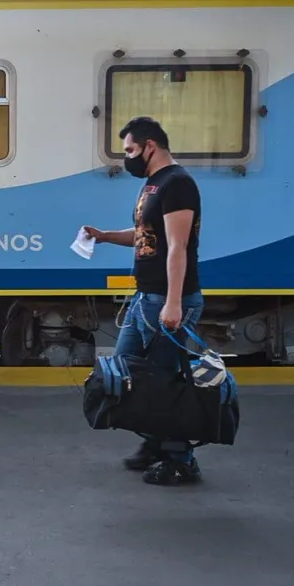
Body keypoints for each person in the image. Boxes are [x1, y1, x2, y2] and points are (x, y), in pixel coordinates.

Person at [82, 116, 204, 486]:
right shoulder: (154, 184)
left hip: (166, 298)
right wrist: (105, 236)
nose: (127, 157)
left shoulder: (178, 183)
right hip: (145, 297)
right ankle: (154, 443)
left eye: (131, 149)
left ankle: (180, 459)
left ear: (150, 146)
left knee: (163, 381)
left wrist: (173, 302)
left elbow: (178, 246)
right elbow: (145, 234)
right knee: (130, 371)